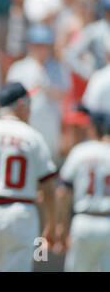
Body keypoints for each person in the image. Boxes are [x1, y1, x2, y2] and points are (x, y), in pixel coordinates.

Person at [0, 82, 57, 272]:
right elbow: (48, 185)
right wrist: (51, 223)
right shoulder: (32, 136)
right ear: (21, 104)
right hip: (20, 213)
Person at [6, 24, 69, 160]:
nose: (41, 50)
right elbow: (10, 98)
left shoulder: (58, 68)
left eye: (44, 46)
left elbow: (63, 93)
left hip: (50, 123)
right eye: (37, 45)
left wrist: (45, 87)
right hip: (25, 122)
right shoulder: (19, 68)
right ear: (30, 46)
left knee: (49, 160)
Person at [57, 112, 110, 272]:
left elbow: (63, 192)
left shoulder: (80, 151)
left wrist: (62, 226)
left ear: (92, 129)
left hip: (83, 221)